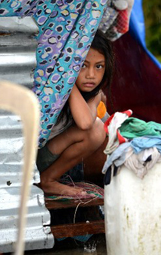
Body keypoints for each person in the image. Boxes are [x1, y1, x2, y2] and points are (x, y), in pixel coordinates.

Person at [36, 32, 114, 197]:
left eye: (98, 66)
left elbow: (109, 124)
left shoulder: (93, 93)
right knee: (94, 131)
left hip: (51, 156)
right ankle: (48, 180)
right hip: (32, 162)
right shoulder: (61, 86)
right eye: (83, 66)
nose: (91, 75)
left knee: (102, 130)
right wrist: (70, 83)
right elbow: (86, 124)